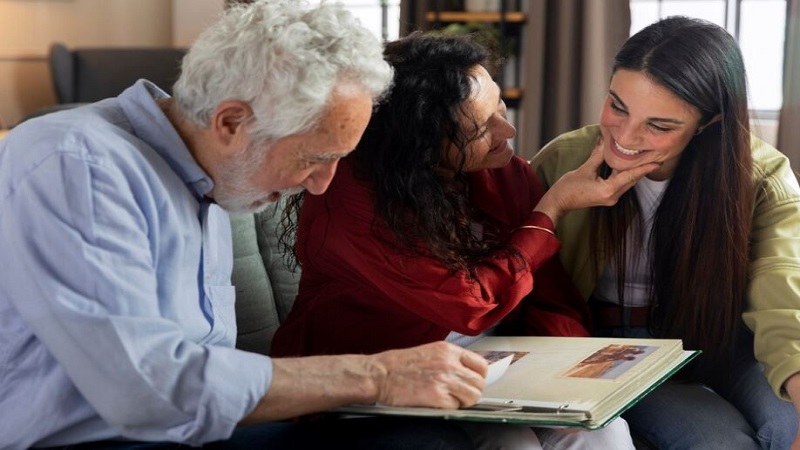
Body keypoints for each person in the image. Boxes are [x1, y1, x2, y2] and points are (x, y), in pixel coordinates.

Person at [0, 2, 492, 449]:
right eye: (315, 158)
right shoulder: (77, 163)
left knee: (422, 438)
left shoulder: (209, 176)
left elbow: (211, 380)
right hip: (100, 442)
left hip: (196, 436)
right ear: (231, 122)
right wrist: (377, 375)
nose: (321, 185)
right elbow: (145, 391)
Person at [271, 31, 659, 449]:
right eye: (479, 131)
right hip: (377, 370)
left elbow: (549, 296)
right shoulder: (349, 204)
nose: (506, 130)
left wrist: (573, 374)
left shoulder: (505, 172)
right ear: (419, 149)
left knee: (603, 430)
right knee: (514, 445)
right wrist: (551, 209)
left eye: (498, 104)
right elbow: (468, 303)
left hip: (491, 358)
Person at [531, 16, 800, 450]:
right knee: (719, 442)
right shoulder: (563, 161)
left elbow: (784, 295)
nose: (625, 136)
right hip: (605, 344)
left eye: (659, 125)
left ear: (709, 124)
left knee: (783, 424)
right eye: (617, 106)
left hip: (718, 339)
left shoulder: (762, 177)